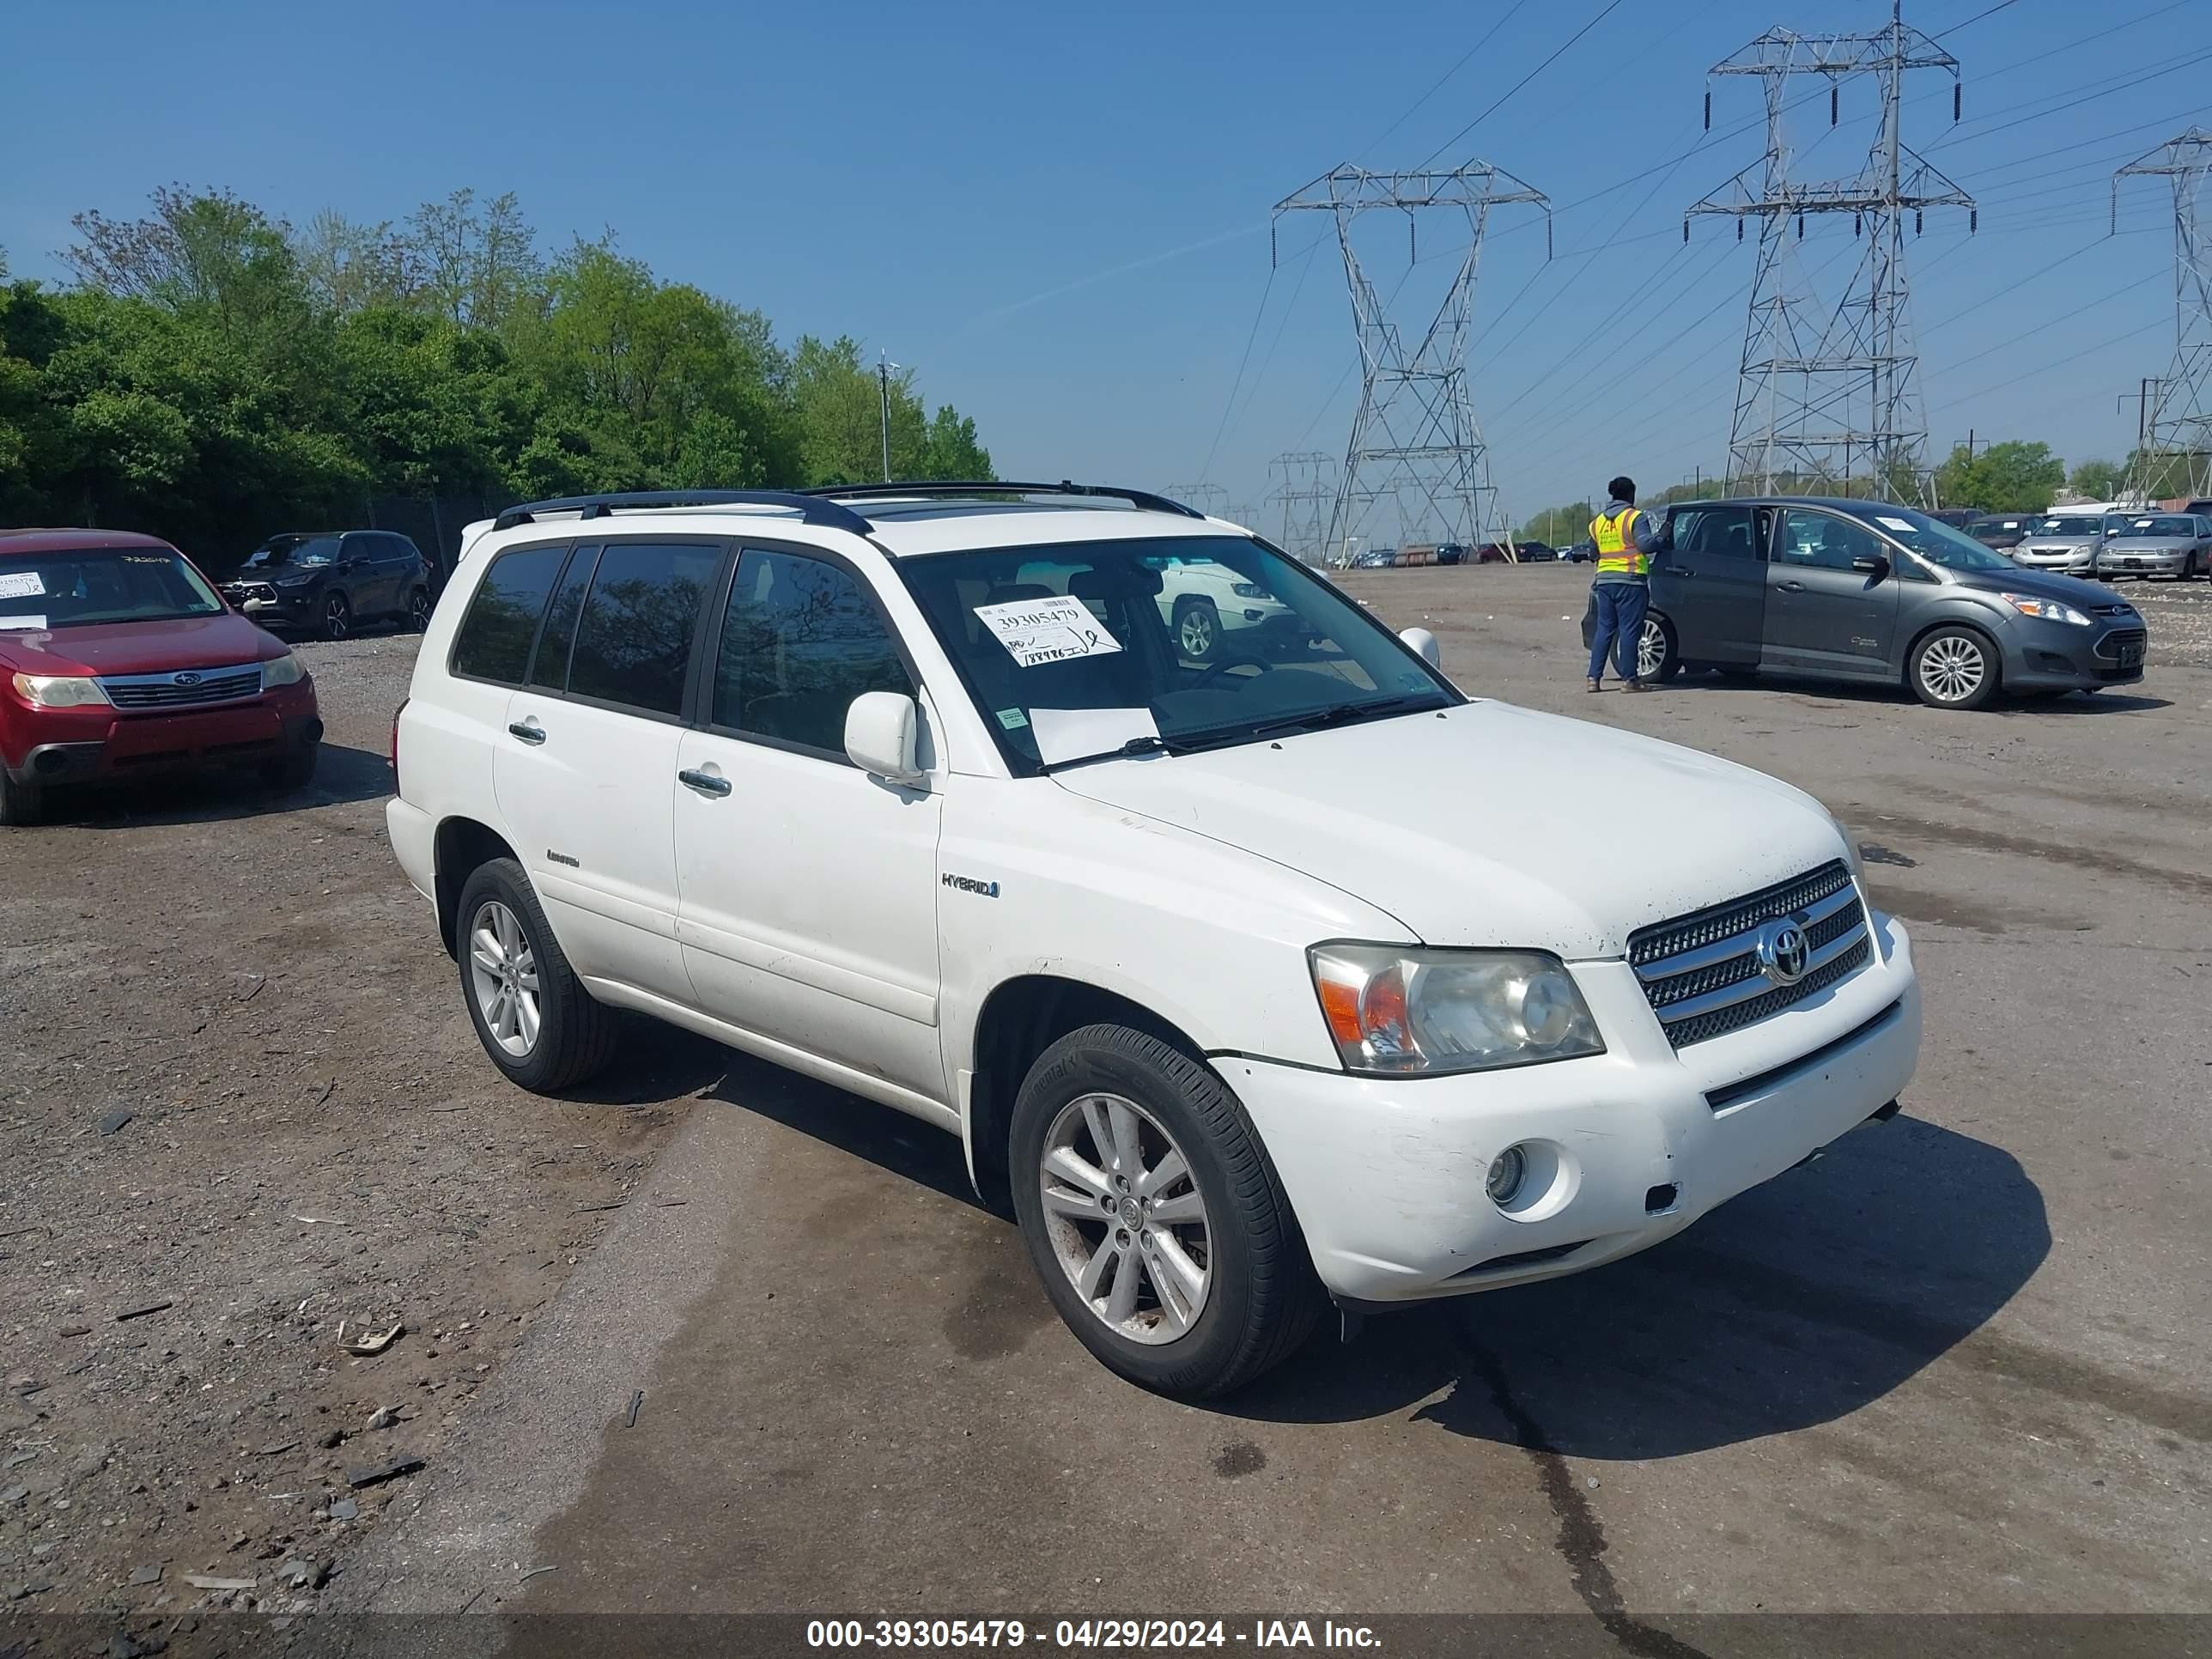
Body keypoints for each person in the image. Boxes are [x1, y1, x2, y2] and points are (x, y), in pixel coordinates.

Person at [1586, 476, 1663, 693]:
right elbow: (1645, 545)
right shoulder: (1634, 517)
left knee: (1604, 629)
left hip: (1604, 582)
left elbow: (1593, 554)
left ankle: (1594, 678)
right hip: (1630, 581)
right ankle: (1630, 680)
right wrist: (1662, 537)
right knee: (1629, 630)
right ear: (1631, 494)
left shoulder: (1597, 522)